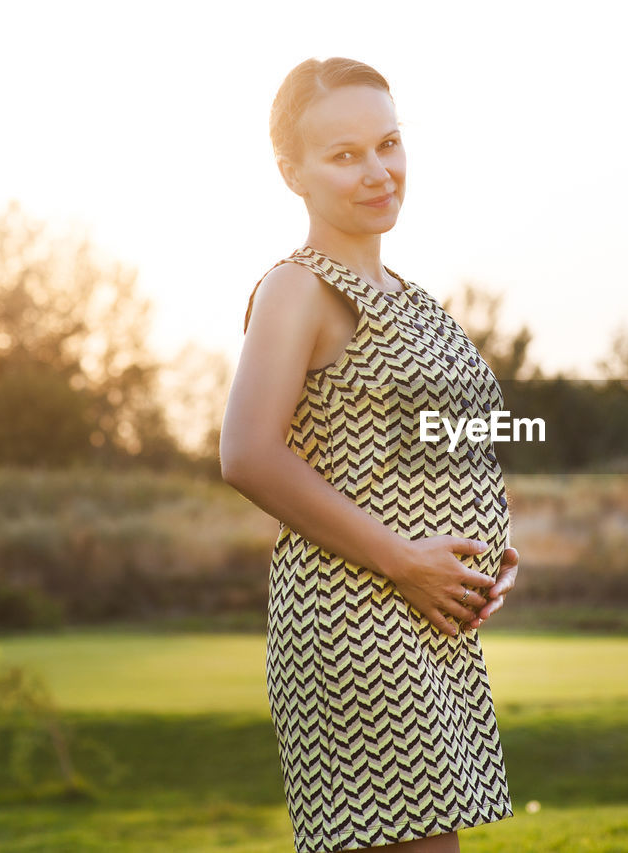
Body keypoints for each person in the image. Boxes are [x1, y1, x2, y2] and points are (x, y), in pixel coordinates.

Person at [219, 56, 518, 853]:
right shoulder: (298, 289)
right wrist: (403, 560)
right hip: (356, 620)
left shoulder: (414, 300)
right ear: (293, 172)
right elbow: (246, 452)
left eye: (388, 143)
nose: (378, 171)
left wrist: (484, 558)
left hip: (427, 618)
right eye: (344, 154)